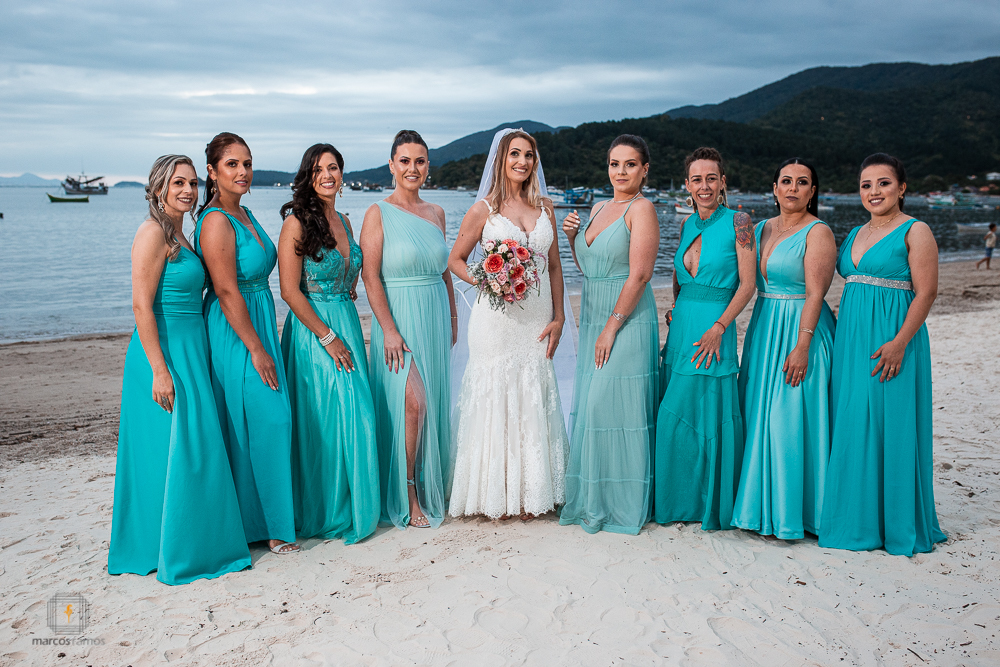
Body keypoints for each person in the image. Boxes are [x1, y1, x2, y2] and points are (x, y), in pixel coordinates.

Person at [109, 155, 251, 584]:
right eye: (178, 184)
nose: (188, 190)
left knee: (190, 449)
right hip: (163, 354)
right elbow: (141, 306)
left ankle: (187, 542)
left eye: (191, 183)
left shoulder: (179, 233)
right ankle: (164, 548)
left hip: (191, 350)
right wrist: (159, 369)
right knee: (170, 451)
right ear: (158, 189)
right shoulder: (152, 233)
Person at [820, 153, 946, 556]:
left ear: (901, 188)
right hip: (851, 340)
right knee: (854, 421)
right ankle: (857, 519)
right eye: (866, 185)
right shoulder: (855, 232)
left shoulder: (916, 230)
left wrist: (900, 342)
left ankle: (895, 522)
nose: (874, 192)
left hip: (893, 339)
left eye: (884, 183)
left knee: (891, 423)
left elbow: (926, 292)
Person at [447, 128, 570, 521]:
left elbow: (554, 266)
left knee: (533, 392)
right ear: (501, 160)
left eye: (529, 155)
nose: (522, 161)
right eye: (515, 154)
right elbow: (455, 260)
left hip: (537, 318)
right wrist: (490, 280)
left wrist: (559, 317)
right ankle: (494, 494)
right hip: (495, 322)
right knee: (497, 395)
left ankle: (533, 492)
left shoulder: (546, 208)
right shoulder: (484, 210)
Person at [193, 132, 298, 554]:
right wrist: (256, 347)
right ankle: (271, 526)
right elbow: (225, 289)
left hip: (258, 318)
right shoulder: (216, 220)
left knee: (255, 421)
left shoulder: (246, 212)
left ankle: (258, 522)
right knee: (270, 419)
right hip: (235, 328)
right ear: (212, 171)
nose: (243, 172)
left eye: (247, 164)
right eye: (232, 164)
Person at [278, 143, 380, 544]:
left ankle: (353, 503)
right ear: (308, 176)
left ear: (342, 173)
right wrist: (327, 336)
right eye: (319, 169)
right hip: (314, 330)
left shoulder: (346, 221)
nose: (327, 175)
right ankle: (326, 509)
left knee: (355, 412)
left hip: (346, 320)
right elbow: (289, 291)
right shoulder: (296, 222)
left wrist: (346, 288)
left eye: (333, 168)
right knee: (329, 415)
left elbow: (350, 272)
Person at [558, 135, 659, 535]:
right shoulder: (599, 207)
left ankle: (622, 504)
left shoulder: (643, 209)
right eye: (615, 164)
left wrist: (612, 327)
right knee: (594, 406)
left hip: (626, 317)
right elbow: (588, 268)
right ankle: (594, 498)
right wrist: (571, 239)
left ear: (644, 170)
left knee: (611, 405)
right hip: (595, 312)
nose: (621, 171)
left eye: (630, 164)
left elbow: (641, 274)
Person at [732, 158, 837, 540]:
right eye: (786, 181)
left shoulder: (818, 232)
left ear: (812, 191)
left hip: (800, 329)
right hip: (764, 328)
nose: (793, 188)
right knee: (758, 414)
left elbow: (816, 293)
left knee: (788, 420)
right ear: (774, 188)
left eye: (802, 182)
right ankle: (758, 509)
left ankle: (797, 514)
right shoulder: (759, 228)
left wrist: (803, 344)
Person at [653, 147, 756, 531]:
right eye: (697, 179)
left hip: (715, 328)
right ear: (687, 185)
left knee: (705, 414)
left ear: (722, 182)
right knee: (674, 416)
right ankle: (678, 503)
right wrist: (674, 308)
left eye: (711, 178)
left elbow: (747, 285)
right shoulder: (686, 225)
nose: (704, 186)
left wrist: (720, 327)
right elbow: (680, 278)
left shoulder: (739, 222)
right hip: (682, 329)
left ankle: (709, 504)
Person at [360, 130, 457, 530]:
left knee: (430, 402)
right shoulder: (377, 213)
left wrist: (453, 317)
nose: (412, 168)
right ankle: (408, 491)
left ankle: (431, 481)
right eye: (405, 161)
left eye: (419, 161)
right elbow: (369, 276)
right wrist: (388, 330)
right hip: (398, 318)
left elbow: (445, 269)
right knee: (413, 403)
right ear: (391, 165)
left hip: (434, 316)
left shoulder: (437, 213)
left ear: (428, 166)